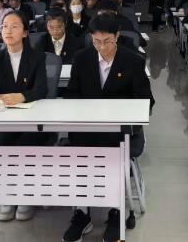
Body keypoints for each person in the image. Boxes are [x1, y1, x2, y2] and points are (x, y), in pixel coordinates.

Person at [62, 14, 154, 242]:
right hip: (88, 129)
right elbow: (71, 94)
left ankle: (116, 210)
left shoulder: (133, 61)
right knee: (79, 158)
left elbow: (146, 101)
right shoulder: (82, 58)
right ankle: (82, 213)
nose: (102, 47)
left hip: (119, 132)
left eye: (107, 41)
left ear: (117, 36)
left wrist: (121, 114)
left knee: (113, 156)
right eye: (96, 41)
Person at [0, 11, 48, 223]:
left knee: (25, 146)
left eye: (14, 26)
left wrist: (21, 96)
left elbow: (42, 89)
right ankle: (7, 194)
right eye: (5, 26)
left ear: (24, 32)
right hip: (8, 121)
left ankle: (25, 196)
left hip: (34, 121)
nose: (8, 31)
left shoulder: (37, 57)